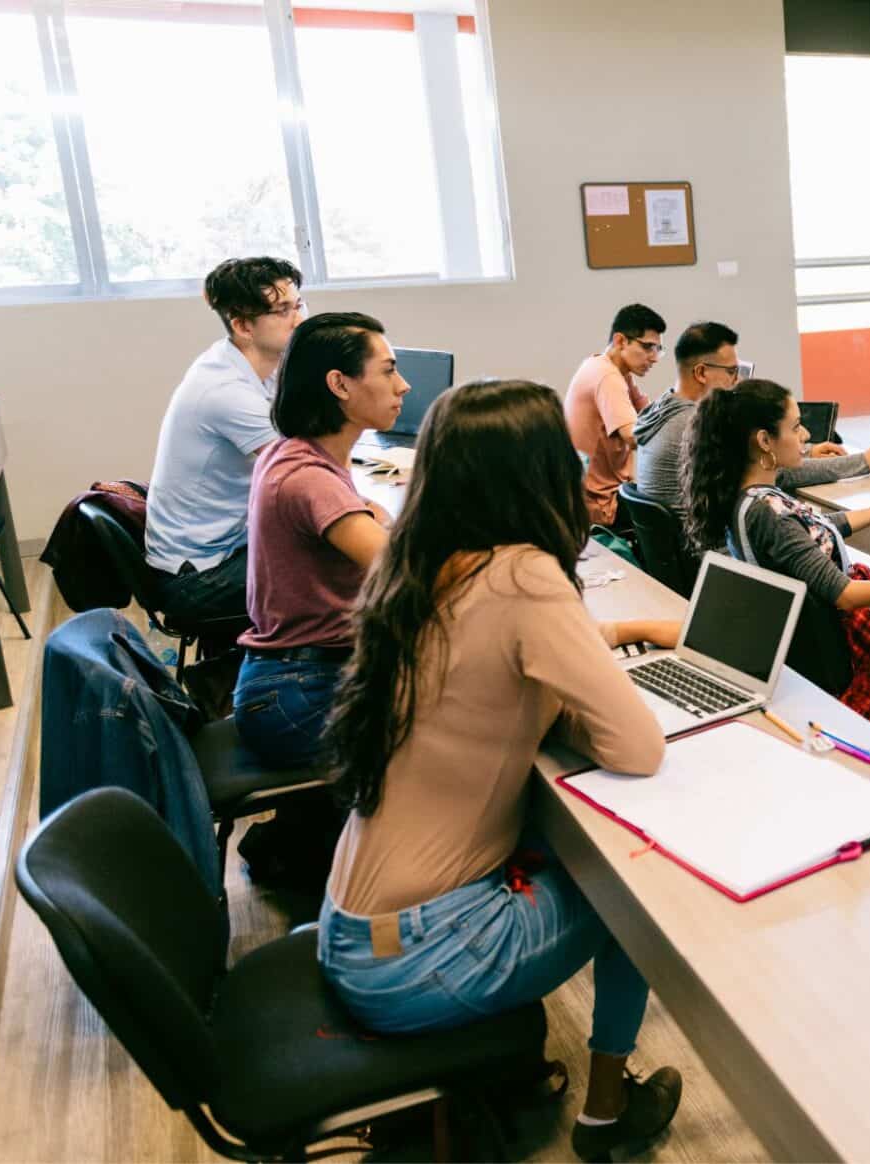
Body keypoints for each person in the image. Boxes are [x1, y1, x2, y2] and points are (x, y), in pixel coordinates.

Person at [318, 379, 685, 1162]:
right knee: (637, 888)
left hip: (355, 930)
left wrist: (594, 646)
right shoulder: (524, 574)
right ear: (538, 473)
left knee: (571, 846)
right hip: (424, 955)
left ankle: (527, 1075)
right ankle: (608, 1114)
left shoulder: (417, 562)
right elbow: (638, 749)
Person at [681, 380, 870, 754]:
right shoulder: (770, 514)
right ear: (764, 441)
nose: (806, 435)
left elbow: (816, 533)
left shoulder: (747, 496)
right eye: (796, 427)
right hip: (846, 647)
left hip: (816, 639)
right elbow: (844, 594)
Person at [233, 312, 400, 770]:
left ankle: (300, 833)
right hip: (301, 695)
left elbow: (371, 515)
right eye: (388, 371)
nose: (402, 386)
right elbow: (406, 569)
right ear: (340, 385)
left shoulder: (295, 453)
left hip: (289, 680)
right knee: (474, 726)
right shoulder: (310, 478)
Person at [144, 256, 305, 626]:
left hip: (228, 545)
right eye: (283, 310)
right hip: (197, 579)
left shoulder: (256, 365)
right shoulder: (225, 390)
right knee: (337, 566)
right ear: (243, 325)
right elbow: (300, 471)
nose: (299, 318)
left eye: (298, 304)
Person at [633, 321, 870, 510]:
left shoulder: (663, 407)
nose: (737, 382)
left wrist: (805, 451)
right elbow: (776, 473)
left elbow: (755, 460)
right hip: (713, 555)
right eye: (732, 372)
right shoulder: (694, 426)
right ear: (701, 373)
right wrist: (862, 461)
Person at [566, 303, 666, 528]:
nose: (654, 358)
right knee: (680, 512)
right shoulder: (607, 377)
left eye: (658, 349)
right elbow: (634, 436)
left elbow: (650, 412)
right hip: (601, 506)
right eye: (648, 347)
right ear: (621, 341)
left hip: (590, 496)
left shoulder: (605, 366)